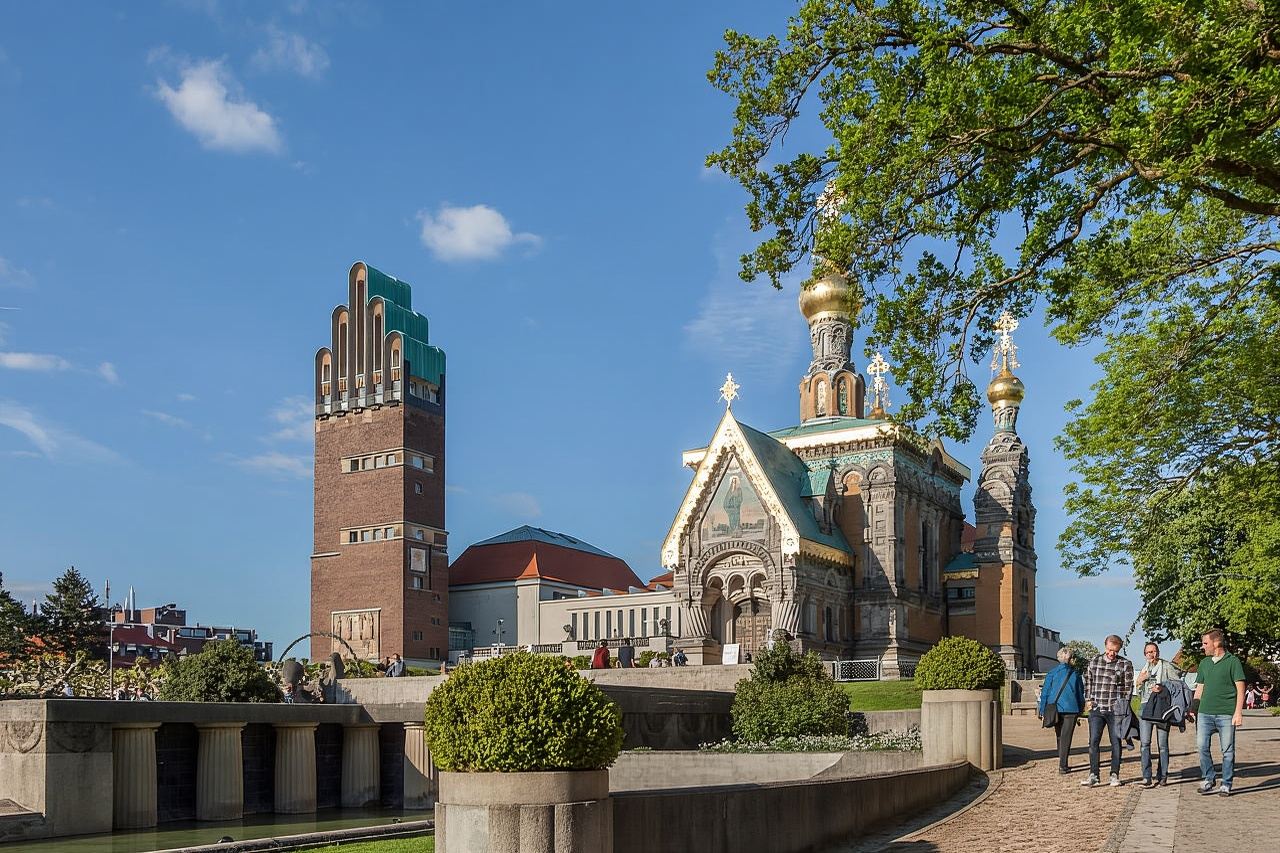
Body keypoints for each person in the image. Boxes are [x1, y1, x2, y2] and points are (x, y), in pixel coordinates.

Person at [1191, 628, 1246, 796]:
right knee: (1201, 747)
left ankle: (1226, 783)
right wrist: (1194, 707)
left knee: (1227, 750)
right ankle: (1208, 778)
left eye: (1205, 643)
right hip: (1205, 713)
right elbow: (1200, 687)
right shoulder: (1204, 663)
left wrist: (1238, 712)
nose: (1202, 646)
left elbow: (1240, 687)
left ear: (1216, 643)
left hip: (1226, 713)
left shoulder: (1233, 661)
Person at [1082, 634, 1134, 788]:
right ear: (1105, 646)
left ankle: (1114, 774)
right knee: (1093, 742)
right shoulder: (1094, 662)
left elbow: (1128, 687)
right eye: (1110, 650)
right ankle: (1094, 774)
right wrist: (1088, 699)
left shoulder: (1125, 664)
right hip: (1097, 708)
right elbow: (1088, 681)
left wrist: (1124, 705)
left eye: (1115, 651)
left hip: (1115, 710)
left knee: (1116, 742)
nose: (1112, 654)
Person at [1135, 641, 1181, 787]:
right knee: (1145, 744)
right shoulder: (1143, 669)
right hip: (1145, 708)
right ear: (1144, 655)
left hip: (1161, 708)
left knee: (1162, 744)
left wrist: (1163, 688)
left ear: (1158, 652)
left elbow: (1177, 685)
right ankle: (1146, 776)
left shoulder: (1166, 666)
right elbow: (1137, 688)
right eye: (1148, 652)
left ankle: (1162, 775)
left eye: (1153, 651)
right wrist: (1140, 680)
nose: (1151, 654)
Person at [1038, 646, 1085, 774]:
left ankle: (1062, 762)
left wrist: (1042, 709)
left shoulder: (1052, 673)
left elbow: (1045, 693)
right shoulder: (1075, 674)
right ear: (1070, 659)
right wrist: (1081, 708)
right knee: (1066, 736)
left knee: (1059, 736)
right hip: (1071, 708)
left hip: (1055, 707)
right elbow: (1080, 693)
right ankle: (1063, 765)